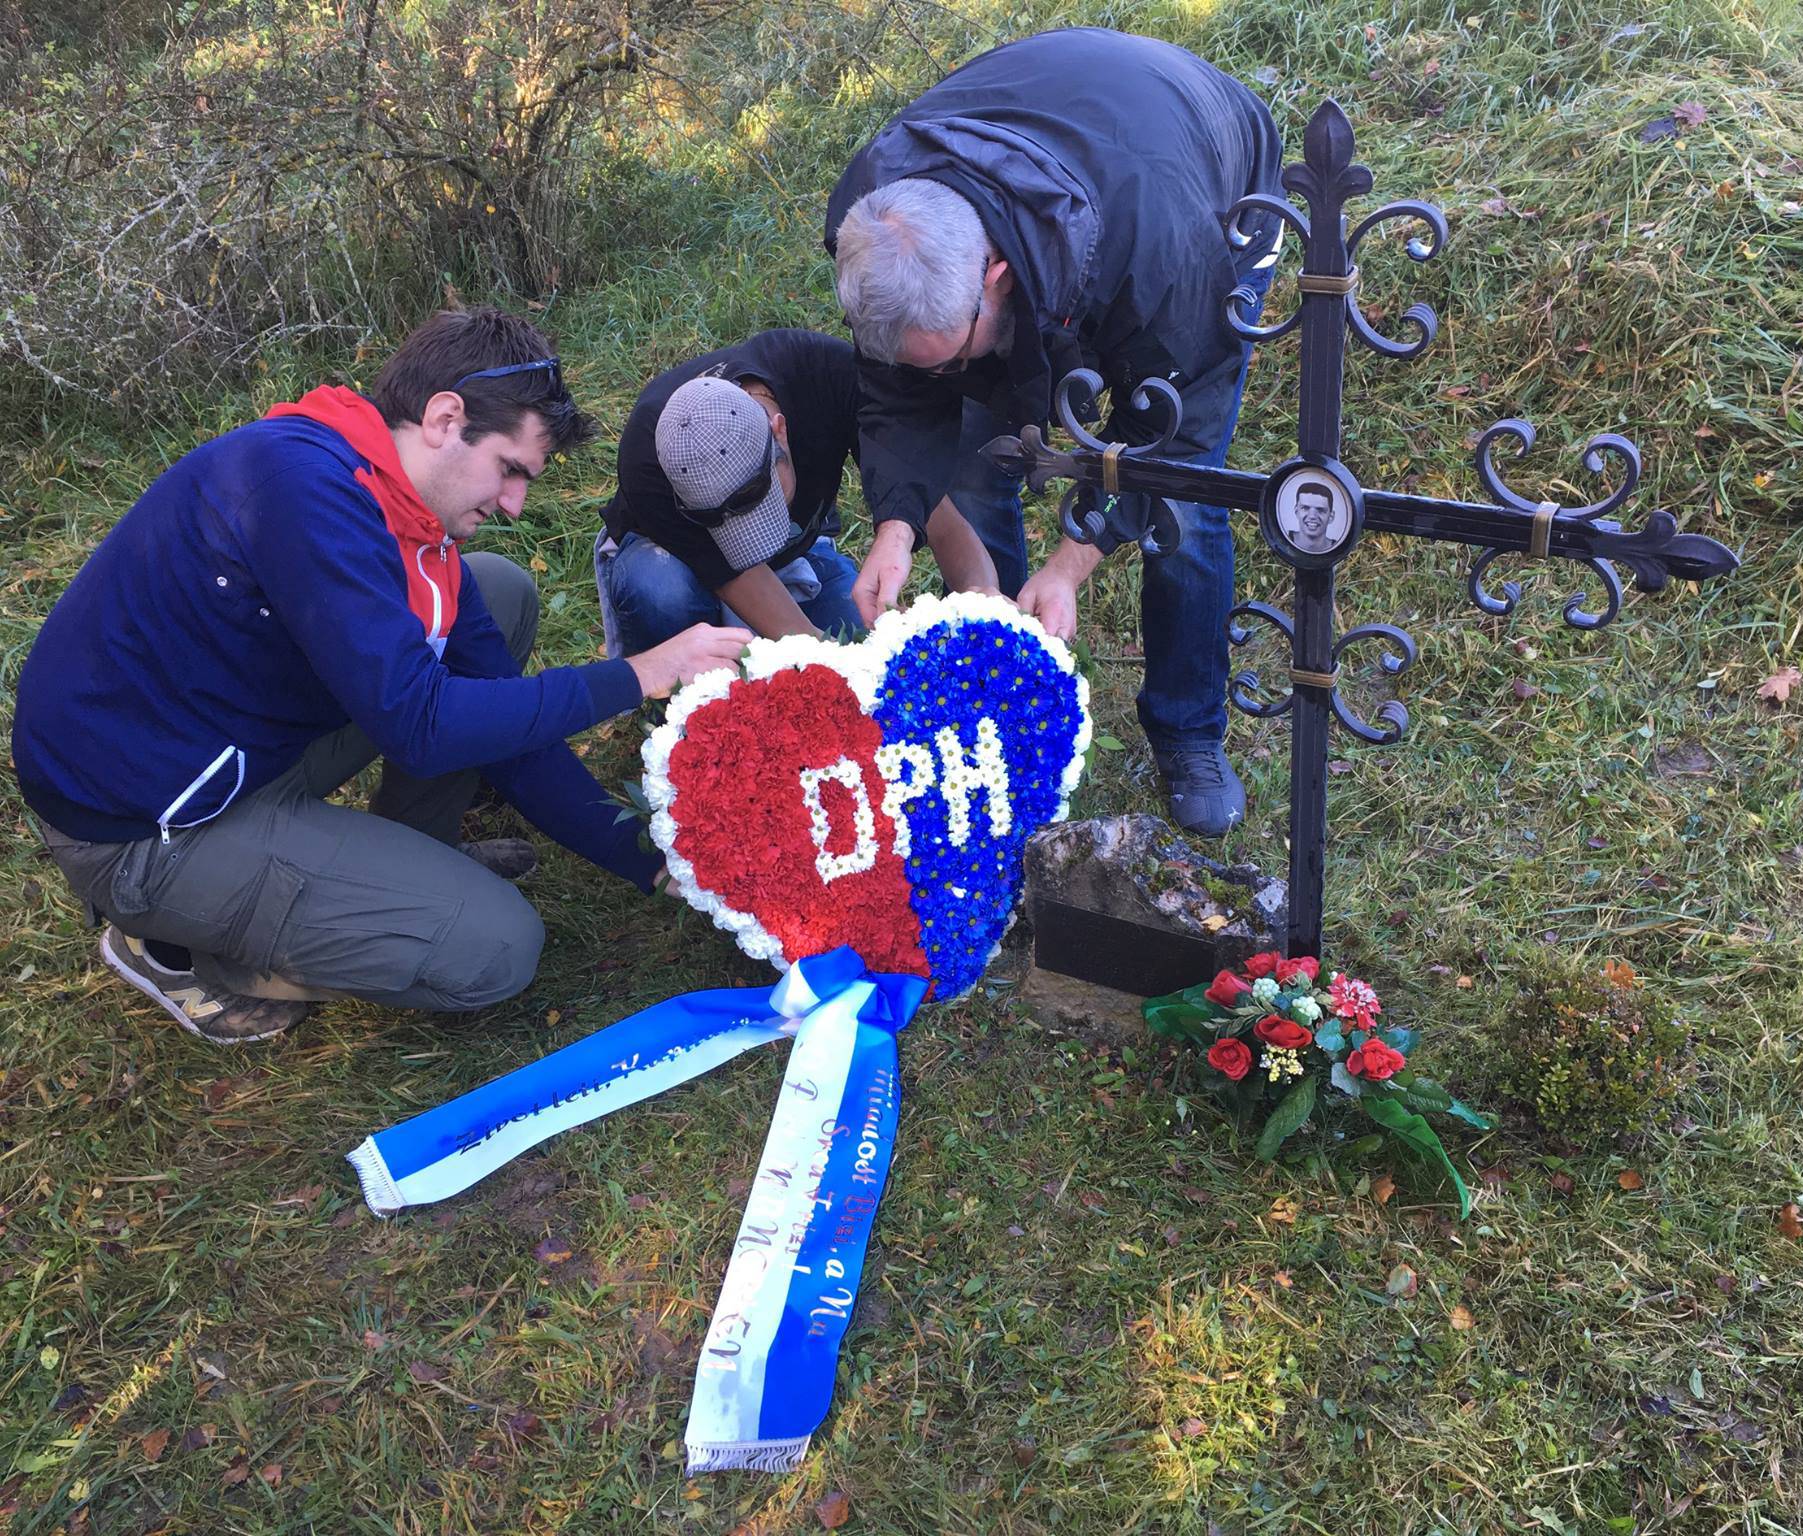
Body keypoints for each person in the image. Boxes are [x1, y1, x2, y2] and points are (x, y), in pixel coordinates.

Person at [13, 307, 749, 1044]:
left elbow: (496, 721)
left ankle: (407, 858)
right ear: (443, 417)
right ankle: (186, 953)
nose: (515, 504)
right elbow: (425, 728)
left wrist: (654, 864)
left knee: (498, 591)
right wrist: (640, 672)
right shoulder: (302, 492)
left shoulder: (401, 509)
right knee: (494, 949)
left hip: (233, 742)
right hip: (148, 825)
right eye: (510, 469)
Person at [826, 27, 1283, 836]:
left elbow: (1174, 437)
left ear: (993, 276)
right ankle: (1006, 676)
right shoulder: (876, 220)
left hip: (1203, 169)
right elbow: (898, 391)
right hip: (1069, 149)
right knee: (971, 458)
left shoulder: (1168, 250)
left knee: (1184, 511)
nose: (936, 377)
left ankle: (1188, 730)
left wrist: (1074, 565)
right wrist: (898, 525)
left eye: (949, 356)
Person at [596, 329, 997, 653]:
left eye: (762, 505)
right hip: (671, 557)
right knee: (661, 591)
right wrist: (820, 657)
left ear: (780, 430)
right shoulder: (648, 452)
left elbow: (931, 508)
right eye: (723, 518)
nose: (745, 526)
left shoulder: (824, 374)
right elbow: (740, 582)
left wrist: (986, 603)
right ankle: (669, 700)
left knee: (861, 641)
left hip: (793, 557)